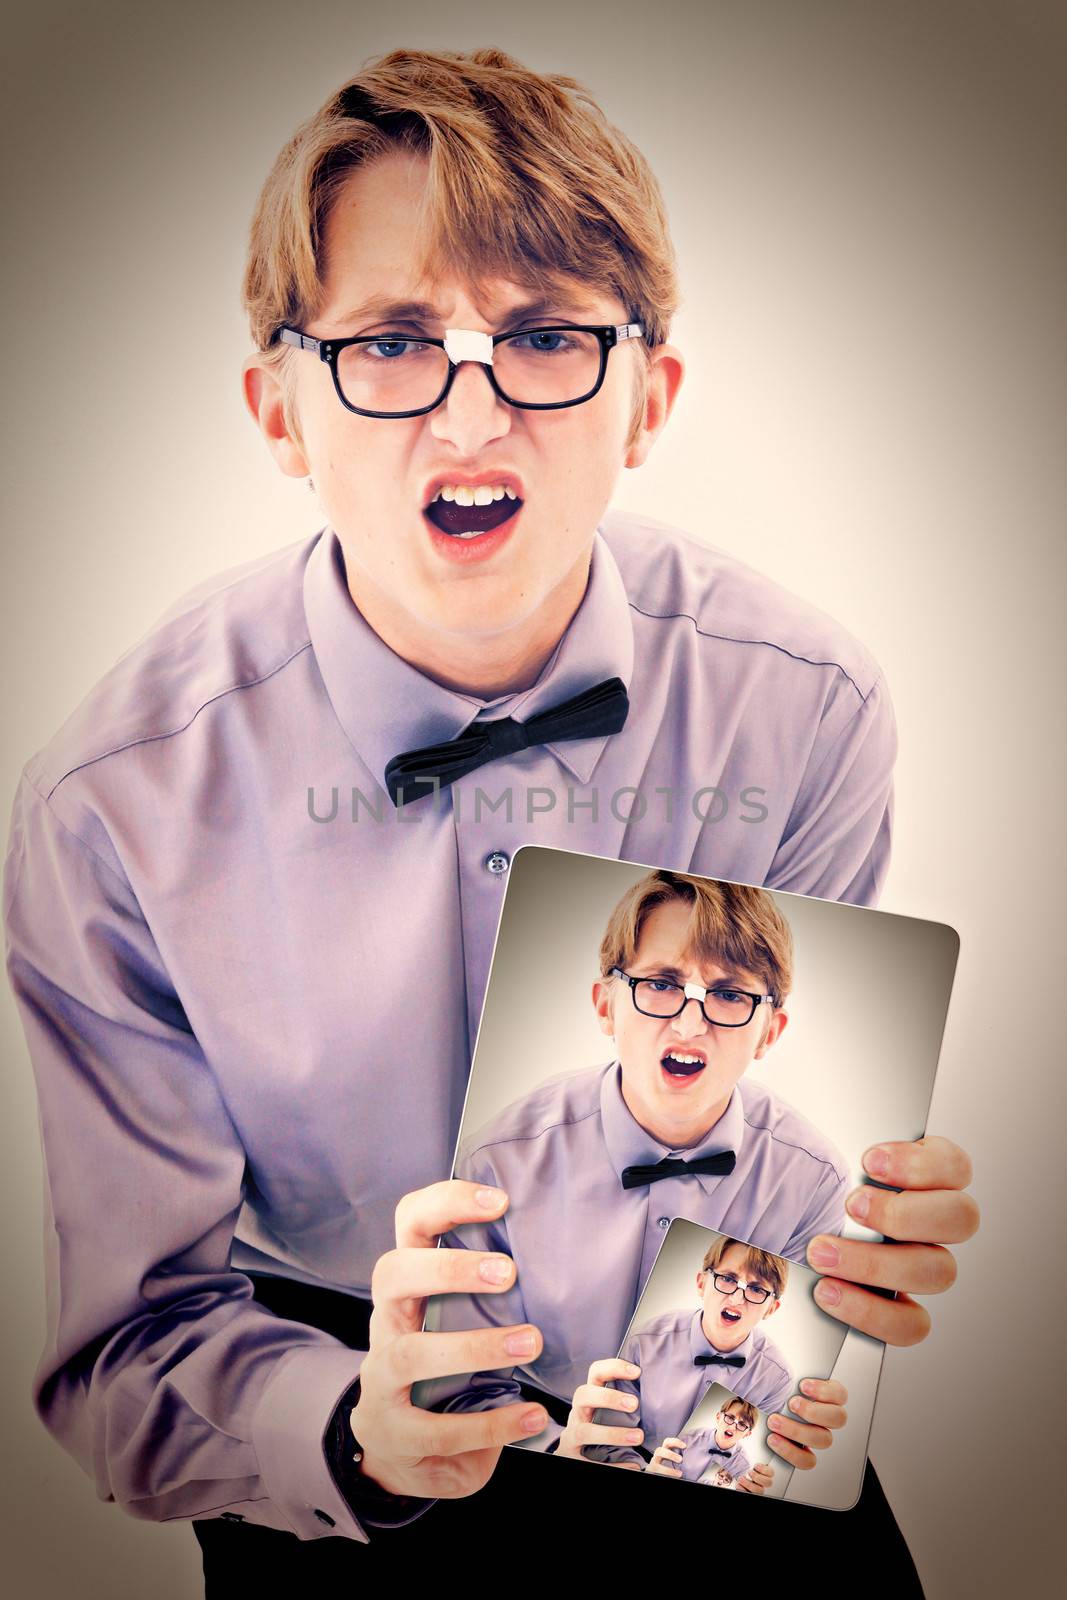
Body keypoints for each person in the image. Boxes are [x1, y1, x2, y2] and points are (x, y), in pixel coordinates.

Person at [1, 45, 978, 1587]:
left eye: (540, 338)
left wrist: (847, 1252)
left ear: (646, 397)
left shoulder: (804, 710)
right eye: (391, 340)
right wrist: (358, 1432)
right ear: (276, 410)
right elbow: (122, 1348)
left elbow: (774, 1225)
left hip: (708, 1431)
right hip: (328, 1451)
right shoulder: (108, 806)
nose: (469, 418)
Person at [436, 874, 844, 1435]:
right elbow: (462, 1394)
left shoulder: (814, 1182)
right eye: (660, 982)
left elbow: (797, 1400)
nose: (689, 1022)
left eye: (729, 995)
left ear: (769, 1032)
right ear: (606, 1007)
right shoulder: (496, 1164)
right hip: (536, 1433)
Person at [579, 1235, 800, 1473]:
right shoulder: (643, 1342)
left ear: (771, 1308)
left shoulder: (777, 1379)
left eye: (756, 1289)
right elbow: (606, 1442)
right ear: (701, 1283)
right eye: (727, 1278)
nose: (737, 1299)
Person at [646, 1398, 764, 1489]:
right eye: (730, 1417)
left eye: (742, 1425)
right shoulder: (687, 1439)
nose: (733, 1427)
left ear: (747, 1434)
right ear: (718, 1417)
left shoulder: (744, 1466)